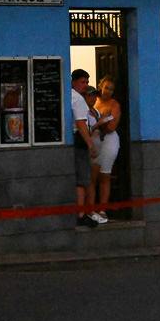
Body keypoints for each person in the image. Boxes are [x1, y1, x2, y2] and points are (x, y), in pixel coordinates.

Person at [91, 76, 122, 223]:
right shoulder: (94, 101)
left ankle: (102, 210)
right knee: (92, 176)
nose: (108, 91)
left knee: (104, 174)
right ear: (100, 87)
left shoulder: (114, 104)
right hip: (94, 139)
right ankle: (90, 209)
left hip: (108, 140)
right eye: (106, 88)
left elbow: (111, 126)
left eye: (111, 89)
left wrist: (98, 124)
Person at [71, 69, 99, 228]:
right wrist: (90, 144)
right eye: (83, 82)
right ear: (74, 82)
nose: (85, 85)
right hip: (79, 141)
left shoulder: (69, 95)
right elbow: (81, 123)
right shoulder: (78, 99)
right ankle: (81, 215)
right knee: (82, 180)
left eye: (87, 82)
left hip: (73, 141)